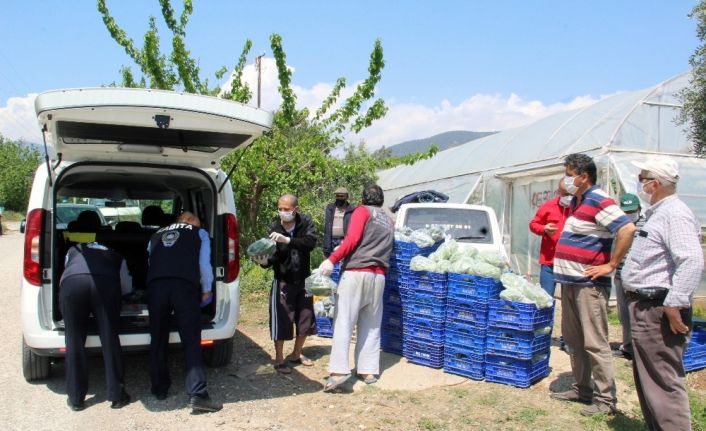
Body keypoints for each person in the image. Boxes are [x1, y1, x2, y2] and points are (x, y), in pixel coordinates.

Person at [550, 153, 635, 416]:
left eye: (569, 173)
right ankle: (582, 388)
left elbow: (627, 229)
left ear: (584, 176)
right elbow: (560, 193)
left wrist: (610, 264)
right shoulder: (579, 201)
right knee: (574, 341)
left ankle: (605, 400)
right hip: (570, 283)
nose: (565, 179)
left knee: (595, 343)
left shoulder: (599, 200)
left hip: (588, 285)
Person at [621, 156, 704, 431]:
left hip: (657, 308)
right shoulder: (657, 212)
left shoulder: (674, 214)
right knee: (650, 379)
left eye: (642, 178)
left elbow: (691, 260)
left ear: (654, 184)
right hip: (645, 306)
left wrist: (675, 303)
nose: (639, 182)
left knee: (664, 382)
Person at [318, 184, 395, 391]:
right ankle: (367, 370)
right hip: (378, 277)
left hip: (356, 273)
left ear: (362, 199)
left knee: (344, 321)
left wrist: (332, 259)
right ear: (381, 200)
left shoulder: (361, 211)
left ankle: (338, 372)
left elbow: (352, 239)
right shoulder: (388, 220)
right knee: (371, 325)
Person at [146, 211, 221, 413]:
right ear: (188, 220)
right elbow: (203, 264)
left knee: (158, 337)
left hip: (156, 287)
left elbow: (151, 262)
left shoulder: (156, 235)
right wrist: (206, 290)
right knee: (190, 339)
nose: (200, 222)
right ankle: (198, 394)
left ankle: (159, 388)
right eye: (198, 218)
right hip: (183, 286)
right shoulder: (199, 233)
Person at [59, 211, 132, 411]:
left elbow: (67, 272)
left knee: (74, 340)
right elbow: (126, 286)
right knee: (109, 337)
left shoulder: (73, 250)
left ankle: (75, 399)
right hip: (104, 284)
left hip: (72, 285)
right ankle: (117, 395)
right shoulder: (115, 254)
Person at [252, 194, 317, 374]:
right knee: (281, 319)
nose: (282, 212)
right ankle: (279, 358)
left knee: (306, 317)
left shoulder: (305, 222)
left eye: (286, 209)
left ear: (295, 209)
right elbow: (270, 257)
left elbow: (310, 243)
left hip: (305, 278)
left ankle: (297, 353)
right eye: (280, 208)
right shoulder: (274, 226)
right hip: (283, 280)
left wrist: (288, 240)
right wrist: (263, 261)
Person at [611, 193, 646, 360]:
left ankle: (641, 350)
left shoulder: (647, 224)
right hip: (620, 274)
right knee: (624, 313)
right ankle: (627, 347)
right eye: (626, 211)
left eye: (632, 211)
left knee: (639, 314)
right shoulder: (619, 225)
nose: (629, 214)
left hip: (640, 277)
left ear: (639, 209)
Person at [529, 179, 571, 297]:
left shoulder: (578, 208)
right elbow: (533, 224)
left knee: (570, 301)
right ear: (558, 192)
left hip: (570, 263)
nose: (568, 197)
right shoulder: (548, 206)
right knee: (546, 297)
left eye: (570, 194)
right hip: (549, 261)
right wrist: (544, 229)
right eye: (565, 194)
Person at [323, 187, 356, 258]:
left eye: (342, 196)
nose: (339, 198)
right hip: (331, 240)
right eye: (337, 196)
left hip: (344, 240)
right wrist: (326, 246)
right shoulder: (330, 208)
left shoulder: (351, 209)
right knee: (331, 263)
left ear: (347, 197)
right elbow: (327, 228)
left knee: (343, 261)